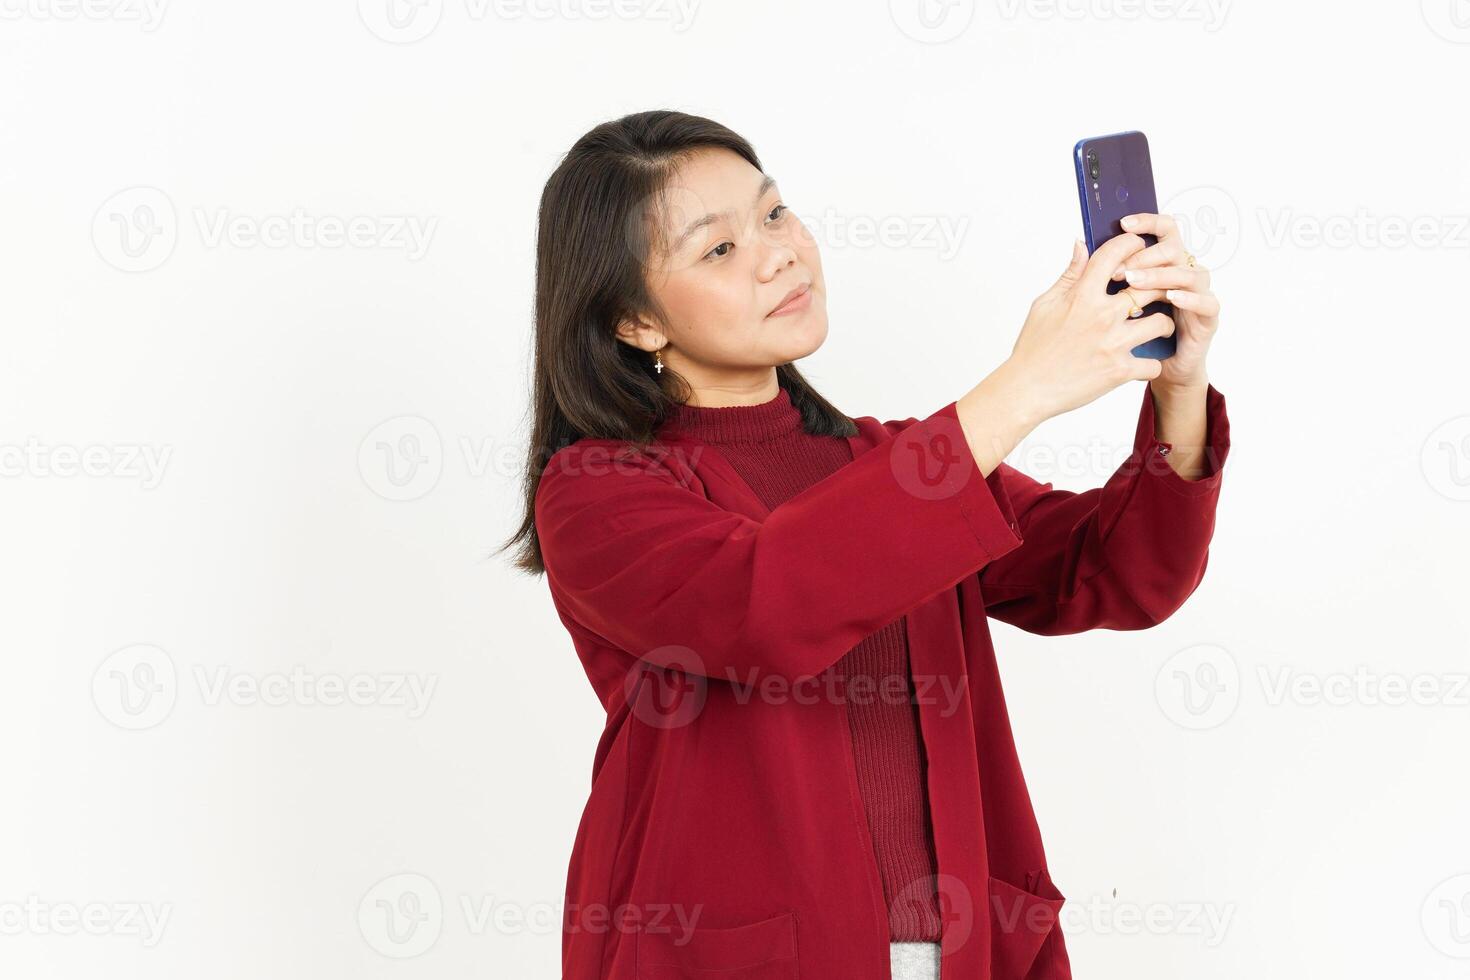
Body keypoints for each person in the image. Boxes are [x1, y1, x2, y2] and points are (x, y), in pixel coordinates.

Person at [503, 109, 1230, 980]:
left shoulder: (893, 462)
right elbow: (762, 602)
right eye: (718, 250)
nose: (778, 253)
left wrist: (1179, 389)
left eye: (772, 215)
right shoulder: (598, 490)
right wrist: (1022, 388)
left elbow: (1114, 575)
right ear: (635, 323)